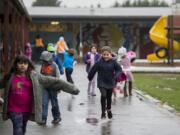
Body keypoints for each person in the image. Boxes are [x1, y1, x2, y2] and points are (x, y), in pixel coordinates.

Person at [0, 55, 79, 135]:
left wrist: (72, 88)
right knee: (17, 128)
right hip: (13, 109)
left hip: (26, 110)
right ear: (16, 64)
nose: (22, 65)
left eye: (25, 63)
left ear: (28, 65)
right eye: (20, 63)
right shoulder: (10, 77)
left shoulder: (34, 76)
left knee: (22, 129)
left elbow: (53, 81)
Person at [88, 46, 122, 119]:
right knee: (103, 95)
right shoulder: (99, 62)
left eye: (107, 54)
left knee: (109, 97)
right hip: (101, 82)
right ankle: (103, 112)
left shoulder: (114, 62)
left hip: (110, 81)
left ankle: (109, 110)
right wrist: (90, 77)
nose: (106, 56)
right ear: (102, 55)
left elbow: (119, 69)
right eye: (104, 55)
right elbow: (93, 70)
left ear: (110, 54)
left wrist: (116, 76)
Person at [40, 51, 61, 125]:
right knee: (44, 103)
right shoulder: (42, 65)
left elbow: (58, 76)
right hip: (45, 87)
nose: (43, 62)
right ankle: (43, 119)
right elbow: (41, 75)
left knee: (54, 103)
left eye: (44, 60)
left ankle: (57, 117)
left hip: (53, 87)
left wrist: (58, 87)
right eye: (42, 60)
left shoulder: (54, 65)